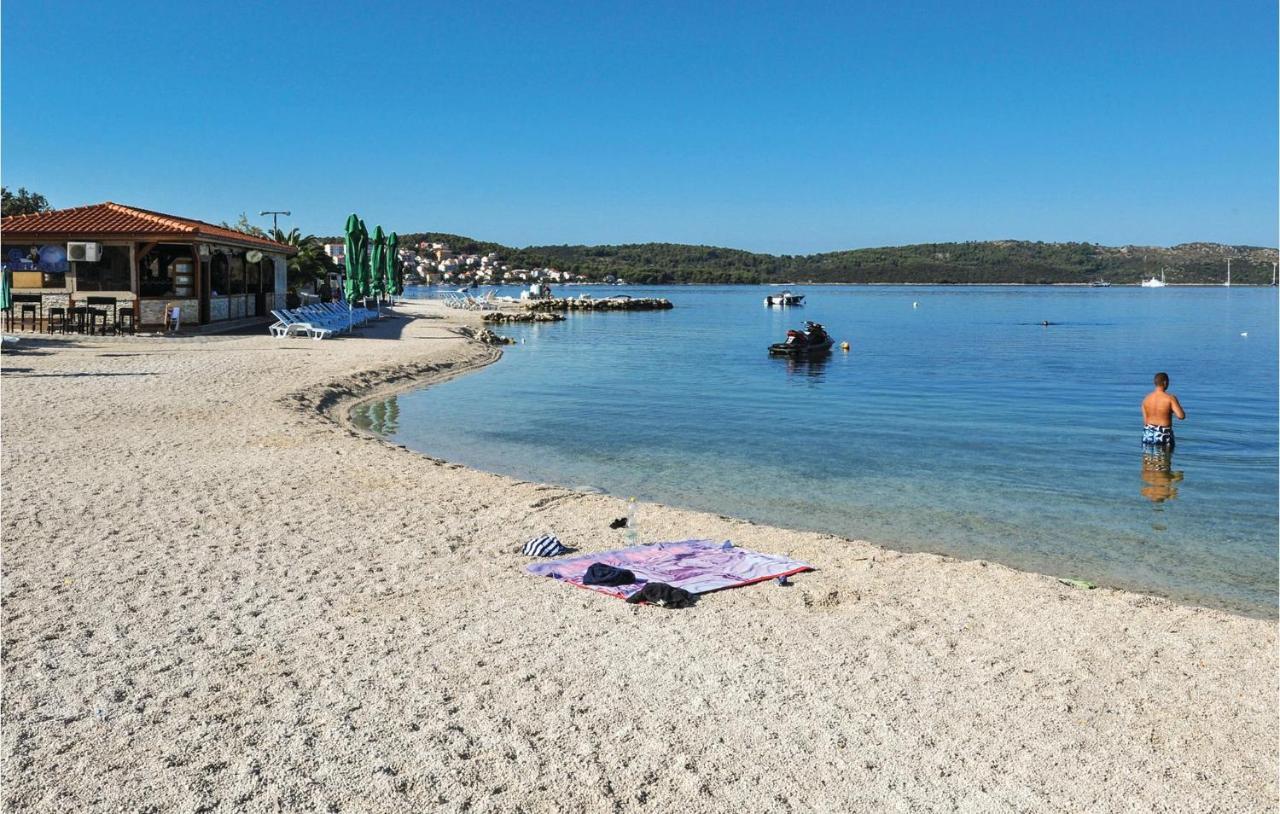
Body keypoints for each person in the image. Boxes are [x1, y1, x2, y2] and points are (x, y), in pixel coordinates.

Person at [1142, 372, 1185, 448]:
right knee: (1164, 459)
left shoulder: (1146, 398)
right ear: (1165, 382)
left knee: (1147, 458)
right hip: (1163, 432)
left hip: (1148, 432)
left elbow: (1145, 421)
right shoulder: (1170, 398)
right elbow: (1181, 416)